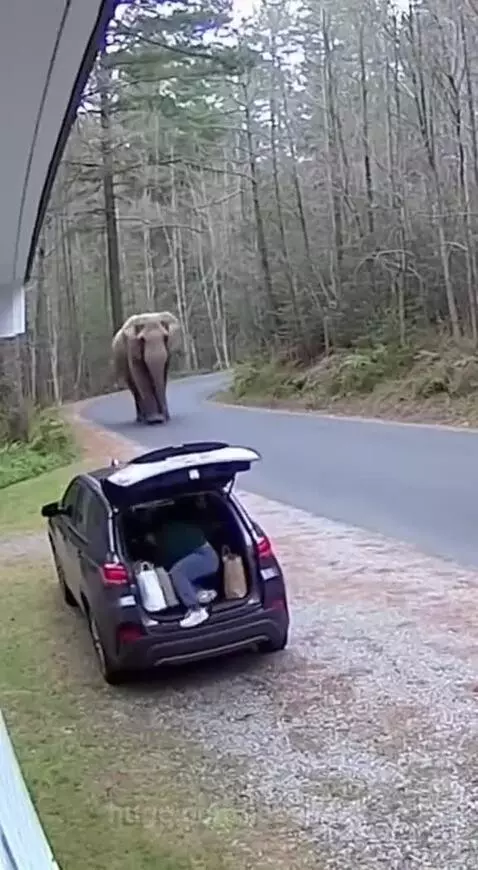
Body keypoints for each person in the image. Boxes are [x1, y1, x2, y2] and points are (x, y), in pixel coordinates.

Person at [148, 509, 219, 629]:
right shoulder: (176, 528)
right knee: (182, 572)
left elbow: (166, 561)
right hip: (209, 556)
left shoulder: (165, 536)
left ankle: (196, 610)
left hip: (205, 557)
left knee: (177, 572)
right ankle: (200, 593)